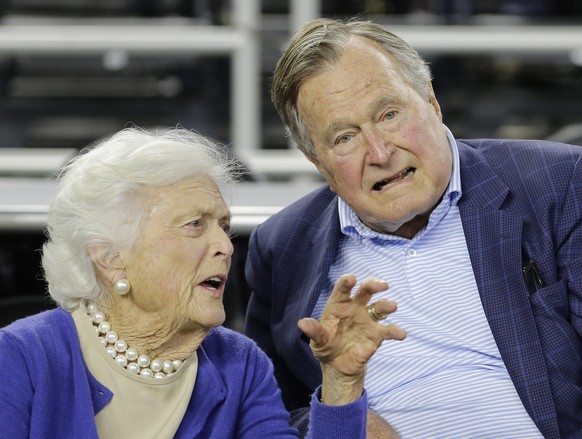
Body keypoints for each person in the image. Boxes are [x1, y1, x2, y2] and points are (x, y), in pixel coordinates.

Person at [244, 17, 582, 439]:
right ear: (319, 163)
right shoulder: (282, 246)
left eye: (389, 114)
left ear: (432, 102)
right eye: (345, 138)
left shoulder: (557, 184)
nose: (381, 152)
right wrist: (344, 417)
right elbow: (271, 409)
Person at [0, 126, 407, 438]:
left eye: (224, 226)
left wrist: (340, 383)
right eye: (195, 225)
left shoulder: (241, 366)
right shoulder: (21, 359)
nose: (225, 247)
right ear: (112, 259)